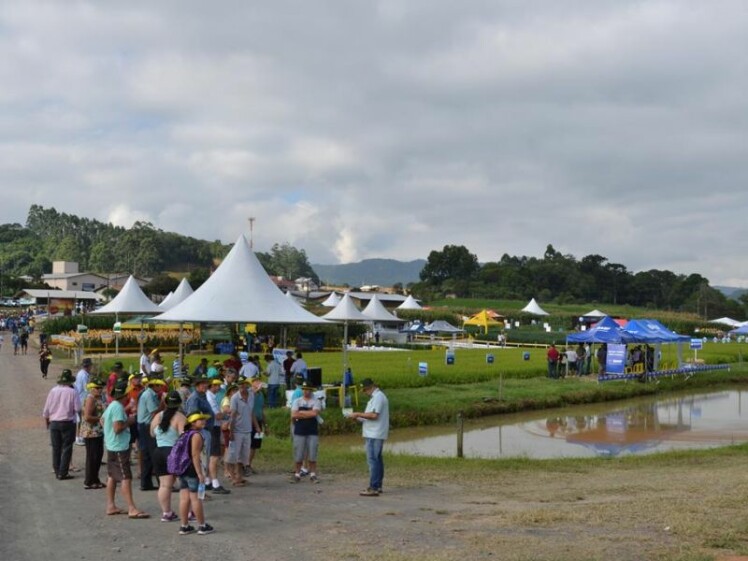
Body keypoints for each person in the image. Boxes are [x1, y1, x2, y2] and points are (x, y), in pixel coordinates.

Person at [101, 380, 149, 518]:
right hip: (119, 446)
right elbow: (117, 428)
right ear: (124, 395)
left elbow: (103, 420)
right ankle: (131, 508)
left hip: (111, 445)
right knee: (125, 476)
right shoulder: (117, 408)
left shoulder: (112, 406)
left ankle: (111, 505)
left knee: (112, 476)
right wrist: (130, 421)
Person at [347, 378, 389, 496]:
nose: (365, 393)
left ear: (371, 387)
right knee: (377, 460)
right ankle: (378, 485)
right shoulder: (374, 398)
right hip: (371, 432)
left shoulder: (378, 397)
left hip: (375, 434)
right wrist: (357, 418)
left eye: (365, 390)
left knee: (373, 460)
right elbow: (369, 416)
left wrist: (358, 413)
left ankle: (374, 487)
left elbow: (374, 415)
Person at [176, 412, 215, 535]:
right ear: (192, 422)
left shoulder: (184, 434)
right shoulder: (196, 435)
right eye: (200, 420)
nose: (203, 421)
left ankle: (184, 526)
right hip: (193, 469)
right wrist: (200, 473)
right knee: (196, 499)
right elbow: (195, 455)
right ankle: (202, 525)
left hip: (182, 469)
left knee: (184, 498)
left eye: (204, 419)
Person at [151, 391, 186, 523]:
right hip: (173, 451)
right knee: (183, 482)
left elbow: (152, 433)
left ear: (165, 403)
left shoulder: (157, 417)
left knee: (165, 485)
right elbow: (184, 437)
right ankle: (188, 512)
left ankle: (167, 513)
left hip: (159, 451)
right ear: (179, 403)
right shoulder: (180, 417)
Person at [42, 369, 81, 480]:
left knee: (56, 447)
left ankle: (57, 469)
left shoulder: (53, 391)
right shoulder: (72, 392)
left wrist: (47, 423)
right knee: (67, 448)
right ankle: (63, 472)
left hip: (54, 422)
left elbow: (46, 410)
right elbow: (77, 408)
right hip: (67, 422)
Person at [226, 377, 258, 486]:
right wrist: (231, 431)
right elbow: (233, 415)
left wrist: (257, 426)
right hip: (237, 430)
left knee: (243, 456)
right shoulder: (235, 398)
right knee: (234, 455)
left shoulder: (251, 395)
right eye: (240, 385)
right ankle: (233, 477)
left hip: (247, 429)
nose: (242, 387)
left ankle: (239, 476)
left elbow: (251, 412)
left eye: (244, 384)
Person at [136, 377, 165, 491]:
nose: (160, 388)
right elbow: (154, 412)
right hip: (146, 425)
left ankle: (146, 482)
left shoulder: (149, 394)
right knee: (153, 453)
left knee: (147, 454)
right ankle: (159, 481)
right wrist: (162, 405)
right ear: (154, 386)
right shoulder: (149, 395)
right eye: (159, 386)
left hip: (144, 425)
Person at [290, 381, 321, 483]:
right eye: (304, 389)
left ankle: (313, 474)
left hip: (312, 431)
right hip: (300, 430)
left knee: (312, 453)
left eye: (308, 389)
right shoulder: (297, 401)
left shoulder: (316, 401)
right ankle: (297, 474)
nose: (306, 391)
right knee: (298, 453)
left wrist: (301, 412)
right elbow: (294, 415)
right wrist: (308, 413)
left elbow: (314, 413)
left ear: (311, 390)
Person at [205, 379, 230, 494]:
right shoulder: (210, 397)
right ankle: (214, 482)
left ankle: (208, 481)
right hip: (213, 427)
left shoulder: (210, 396)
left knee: (210, 455)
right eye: (217, 386)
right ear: (212, 386)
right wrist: (227, 413)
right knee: (214, 456)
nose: (219, 388)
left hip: (212, 427)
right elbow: (218, 415)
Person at [81, 377, 106, 489]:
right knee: (92, 457)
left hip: (98, 432)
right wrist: (100, 418)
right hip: (91, 432)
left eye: (101, 388)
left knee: (98, 456)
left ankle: (95, 479)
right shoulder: (91, 399)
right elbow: (87, 417)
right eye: (97, 388)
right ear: (92, 388)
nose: (99, 390)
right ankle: (89, 481)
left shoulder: (99, 398)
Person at [247, 374, 267, 474]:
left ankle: (249, 464)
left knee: (255, 445)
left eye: (259, 380)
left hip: (259, 421)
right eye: (256, 381)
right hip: (250, 422)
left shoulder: (261, 394)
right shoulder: (250, 392)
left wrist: (265, 425)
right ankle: (245, 465)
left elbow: (262, 410)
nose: (258, 382)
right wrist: (256, 390)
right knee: (249, 444)